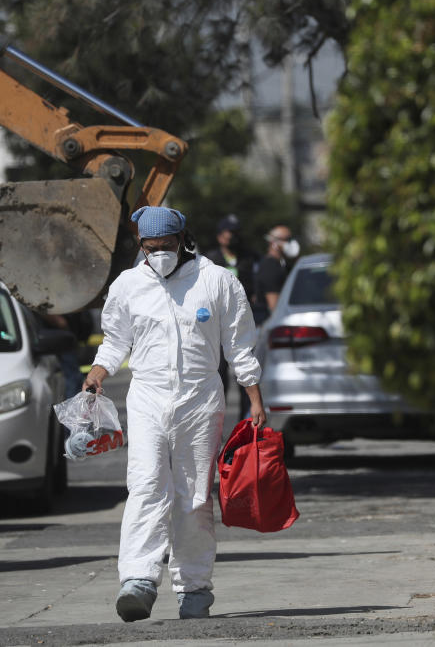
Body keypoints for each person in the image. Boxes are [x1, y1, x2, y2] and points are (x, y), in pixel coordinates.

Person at [83, 205, 266, 623]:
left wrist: (254, 397)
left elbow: (239, 346)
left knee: (194, 497)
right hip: (148, 396)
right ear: (141, 246)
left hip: (200, 400)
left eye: (168, 246)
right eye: (152, 248)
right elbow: (115, 340)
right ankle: (138, 580)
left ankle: (194, 589)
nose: (160, 254)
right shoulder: (129, 285)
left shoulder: (217, 281)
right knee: (146, 485)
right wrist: (98, 370)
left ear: (184, 240)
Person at [204, 214, 257, 413]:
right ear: (220, 236)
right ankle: (217, 420)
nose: (233, 238)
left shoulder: (249, 258)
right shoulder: (210, 260)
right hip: (216, 326)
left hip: (241, 323)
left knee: (246, 373)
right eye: (229, 234)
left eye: (236, 233)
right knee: (218, 376)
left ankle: (246, 421)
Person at [253, 225, 300, 322]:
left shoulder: (280, 265)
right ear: (273, 242)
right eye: (287, 239)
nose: (291, 243)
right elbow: (273, 306)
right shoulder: (270, 267)